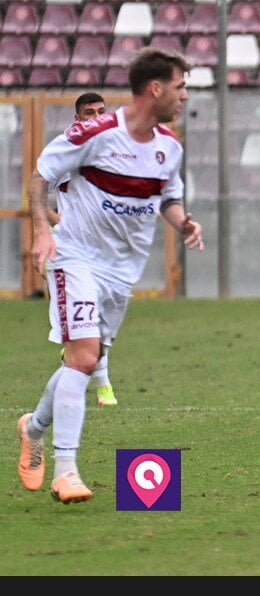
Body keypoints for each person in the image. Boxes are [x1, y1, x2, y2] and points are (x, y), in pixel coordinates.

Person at [18, 48, 203, 504]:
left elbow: (167, 198)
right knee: (83, 359)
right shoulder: (96, 133)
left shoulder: (170, 146)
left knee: (79, 361)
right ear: (156, 88)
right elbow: (40, 176)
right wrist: (43, 230)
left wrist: (182, 222)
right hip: (76, 258)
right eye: (180, 86)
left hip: (122, 274)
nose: (185, 95)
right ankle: (67, 471)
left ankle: (33, 427)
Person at [46, 92, 119, 407]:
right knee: (86, 335)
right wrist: (54, 224)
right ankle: (103, 390)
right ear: (78, 119)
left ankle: (38, 422)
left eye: (101, 111)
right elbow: (35, 192)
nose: (97, 116)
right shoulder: (64, 149)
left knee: (100, 325)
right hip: (68, 252)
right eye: (89, 112)